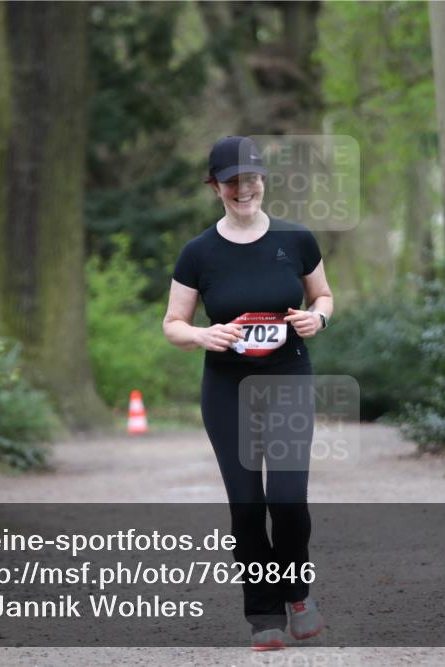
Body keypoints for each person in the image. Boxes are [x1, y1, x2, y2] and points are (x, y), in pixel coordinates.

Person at [163, 136, 333, 650]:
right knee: (246, 505)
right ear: (215, 187)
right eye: (232, 181)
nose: (244, 189)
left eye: (251, 179)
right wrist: (202, 335)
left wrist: (318, 318)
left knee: (287, 500)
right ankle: (264, 614)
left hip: (287, 379)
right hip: (227, 387)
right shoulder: (198, 253)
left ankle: (297, 594)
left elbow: (323, 294)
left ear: (263, 181)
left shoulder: (296, 239)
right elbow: (173, 323)